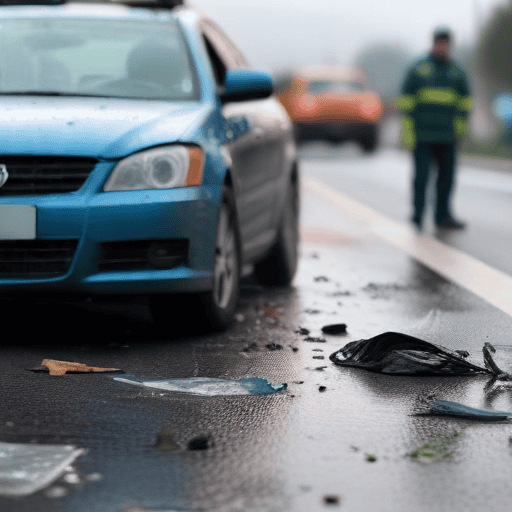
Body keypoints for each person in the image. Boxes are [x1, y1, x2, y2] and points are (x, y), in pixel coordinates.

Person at [397, 27, 472, 229]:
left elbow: (465, 105)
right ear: (434, 43)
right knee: (421, 178)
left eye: (447, 44)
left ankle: (443, 216)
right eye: (441, 43)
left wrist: (461, 132)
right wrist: (408, 133)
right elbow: (405, 104)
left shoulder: (457, 72)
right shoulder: (418, 69)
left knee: (447, 179)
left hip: (448, 136)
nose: (444, 47)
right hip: (423, 134)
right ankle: (418, 215)